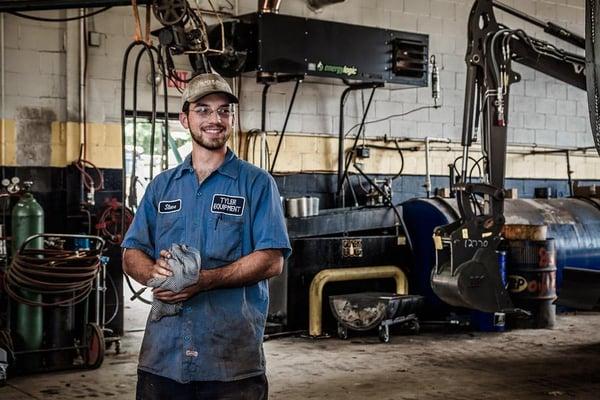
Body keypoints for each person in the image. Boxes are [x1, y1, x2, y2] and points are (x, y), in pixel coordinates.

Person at [122, 72, 291, 400]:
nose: (215, 119)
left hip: (230, 362)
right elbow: (132, 252)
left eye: (223, 111)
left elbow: (272, 260)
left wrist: (206, 280)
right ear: (184, 119)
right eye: (203, 110)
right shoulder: (162, 186)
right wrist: (153, 275)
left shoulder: (256, 184)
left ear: (232, 118)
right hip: (163, 359)